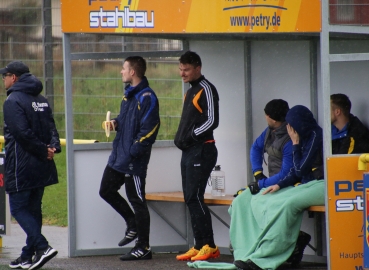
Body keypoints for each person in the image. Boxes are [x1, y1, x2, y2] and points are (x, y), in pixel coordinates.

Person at [230, 105, 325, 270]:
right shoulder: (271, 132)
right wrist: (265, 178)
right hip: (294, 183)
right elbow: (256, 148)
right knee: (253, 200)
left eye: (291, 125)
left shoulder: (311, 136)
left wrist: (295, 144)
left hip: (317, 183)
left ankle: (267, 256)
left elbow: (298, 170)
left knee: (284, 205)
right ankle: (250, 250)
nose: (289, 129)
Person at [99, 56, 160, 261]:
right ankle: (132, 223)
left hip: (133, 159)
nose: (121, 72)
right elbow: (126, 121)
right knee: (106, 190)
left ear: (133, 72)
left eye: (124, 68)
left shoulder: (147, 96)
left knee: (137, 200)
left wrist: (134, 150)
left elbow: (150, 129)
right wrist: (115, 123)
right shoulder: (128, 96)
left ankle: (143, 247)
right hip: (120, 156)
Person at [1, 61, 60, 270]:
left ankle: (42, 247)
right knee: (34, 209)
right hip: (42, 164)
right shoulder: (41, 99)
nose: (3, 80)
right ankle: (27, 255)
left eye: (4, 76)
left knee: (17, 208)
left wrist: (45, 150)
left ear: (14, 77)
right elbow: (52, 128)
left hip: (22, 164)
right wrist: (51, 148)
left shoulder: (12, 100)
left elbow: (22, 134)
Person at [174, 51, 220, 261]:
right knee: (190, 198)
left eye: (186, 69)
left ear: (198, 68)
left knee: (195, 197)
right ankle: (199, 244)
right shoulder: (190, 91)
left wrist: (190, 137)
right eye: (180, 69)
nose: (182, 73)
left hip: (202, 149)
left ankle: (209, 245)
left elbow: (212, 122)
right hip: (190, 151)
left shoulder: (207, 89)